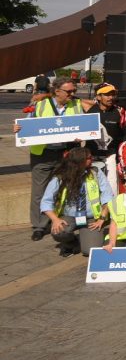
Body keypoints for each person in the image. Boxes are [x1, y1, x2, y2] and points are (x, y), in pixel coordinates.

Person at [17, 78, 93, 241]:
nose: (73, 94)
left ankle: (60, 221)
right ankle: (39, 226)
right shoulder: (41, 105)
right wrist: (19, 129)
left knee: (63, 189)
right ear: (57, 91)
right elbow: (28, 125)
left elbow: (85, 123)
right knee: (39, 191)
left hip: (65, 154)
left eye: (74, 91)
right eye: (69, 92)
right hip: (42, 153)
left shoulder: (76, 105)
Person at [39, 148, 114, 257]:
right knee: (58, 231)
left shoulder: (95, 172)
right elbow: (46, 201)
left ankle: (85, 239)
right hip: (69, 216)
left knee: (90, 251)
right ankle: (70, 243)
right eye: (88, 158)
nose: (92, 159)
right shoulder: (60, 176)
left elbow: (107, 195)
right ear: (79, 160)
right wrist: (55, 219)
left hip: (92, 218)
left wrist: (102, 218)